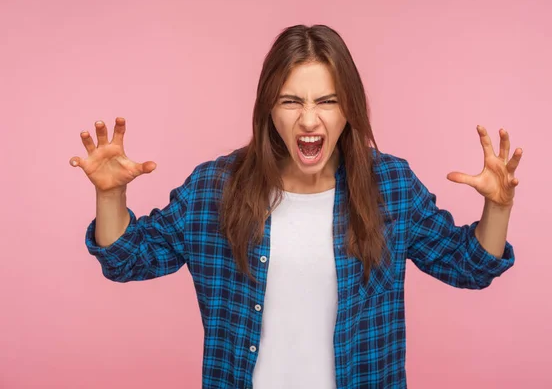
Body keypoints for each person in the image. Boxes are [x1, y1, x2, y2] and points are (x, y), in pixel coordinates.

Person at [70, 24, 522, 389]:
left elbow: (469, 266)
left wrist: (498, 208)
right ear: (268, 107)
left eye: (327, 101)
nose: (310, 119)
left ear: (350, 108)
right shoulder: (215, 188)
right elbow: (127, 259)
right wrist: (110, 195)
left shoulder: (390, 186)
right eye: (292, 101)